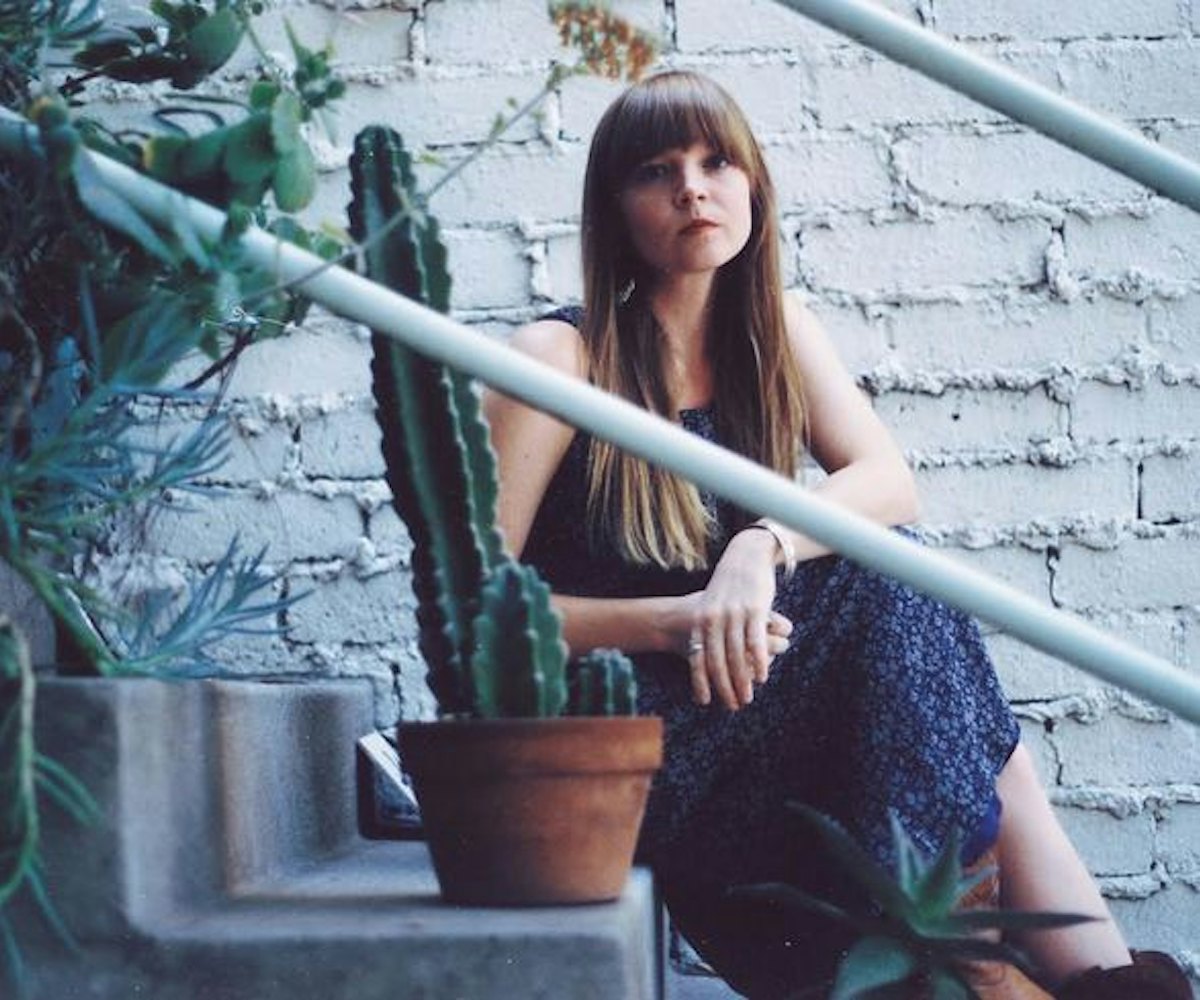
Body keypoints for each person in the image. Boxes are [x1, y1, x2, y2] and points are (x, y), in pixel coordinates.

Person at [483, 70, 1190, 999]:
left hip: (756, 686)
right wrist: (680, 619)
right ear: (614, 210)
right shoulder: (560, 358)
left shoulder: (773, 331)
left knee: (902, 589)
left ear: (752, 189)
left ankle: (1079, 979)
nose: (692, 187)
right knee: (884, 587)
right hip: (629, 728)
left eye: (715, 161)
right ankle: (1000, 969)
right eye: (656, 171)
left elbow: (891, 482)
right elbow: (475, 610)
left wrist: (759, 547)